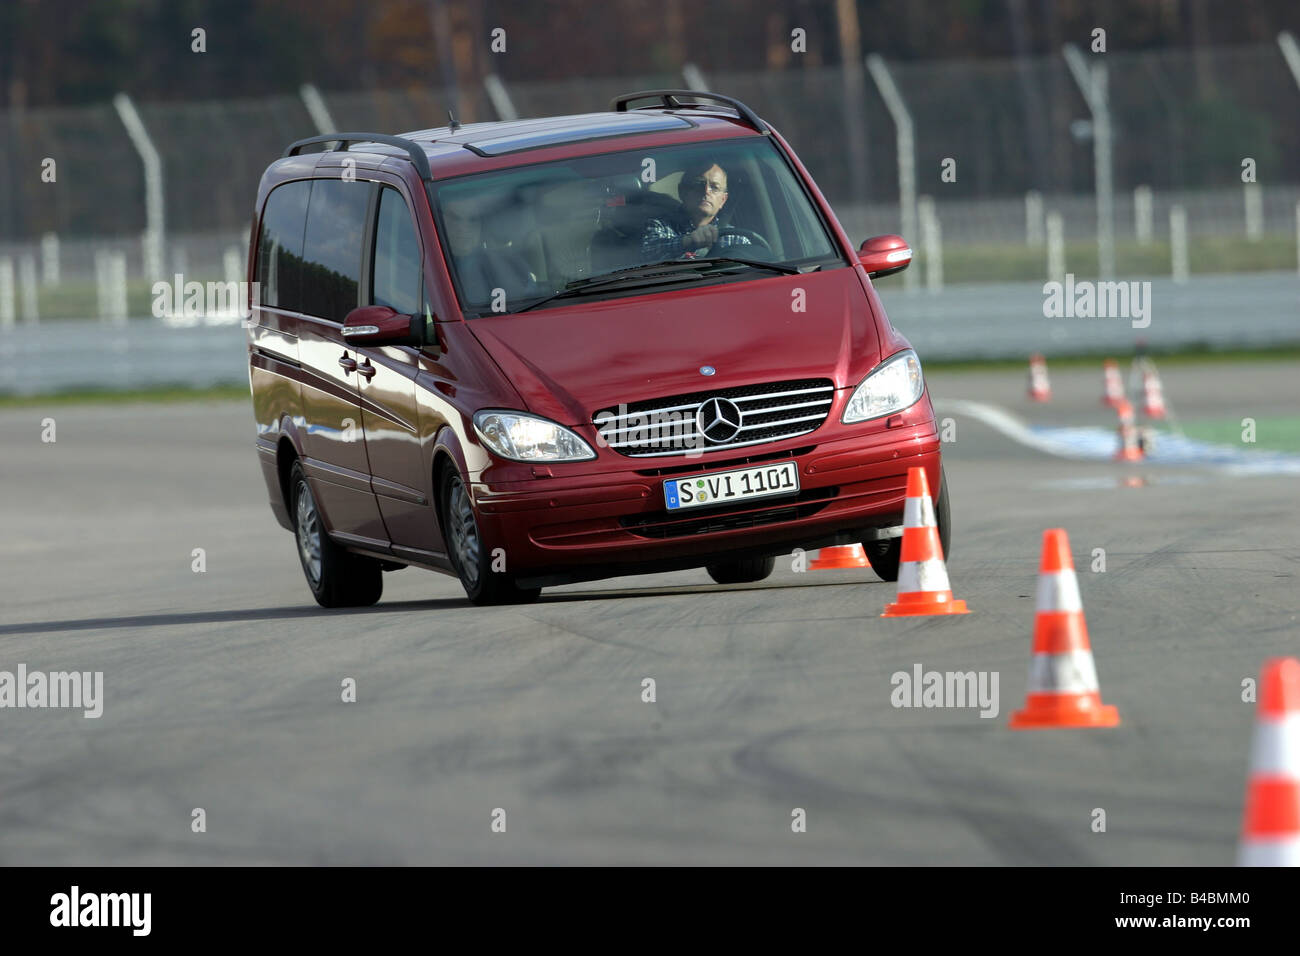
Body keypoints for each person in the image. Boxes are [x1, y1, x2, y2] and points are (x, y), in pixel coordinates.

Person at [638, 160, 756, 262]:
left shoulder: (737, 239)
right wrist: (688, 241)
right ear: (682, 191)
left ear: (723, 200)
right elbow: (648, 253)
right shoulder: (659, 225)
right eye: (698, 183)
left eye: (714, 187)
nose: (706, 191)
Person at [441, 194, 538, 310]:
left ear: (482, 224)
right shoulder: (426, 271)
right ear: (440, 221)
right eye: (455, 218)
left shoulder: (513, 265)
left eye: (473, 219)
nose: (463, 227)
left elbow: (534, 309)